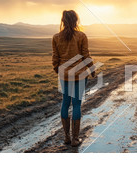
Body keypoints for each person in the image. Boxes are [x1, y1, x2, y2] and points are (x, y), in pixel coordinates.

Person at [52, 10, 95, 147]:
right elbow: (86, 55)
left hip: (64, 75)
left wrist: (58, 70)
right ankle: (75, 139)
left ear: (63, 21)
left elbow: (55, 58)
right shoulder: (81, 36)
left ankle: (66, 137)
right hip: (79, 74)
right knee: (76, 104)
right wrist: (92, 70)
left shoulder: (56, 37)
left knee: (65, 103)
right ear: (75, 21)